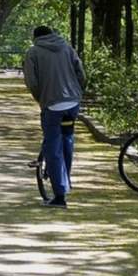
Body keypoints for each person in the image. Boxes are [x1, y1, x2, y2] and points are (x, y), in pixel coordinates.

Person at [23, 25, 85, 208]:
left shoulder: (33, 52)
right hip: (72, 104)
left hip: (52, 105)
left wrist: (41, 98)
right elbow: (81, 73)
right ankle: (66, 180)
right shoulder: (68, 48)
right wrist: (78, 92)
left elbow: (32, 81)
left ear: (35, 37)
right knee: (67, 140)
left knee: (53, 147)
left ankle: (60, 195)